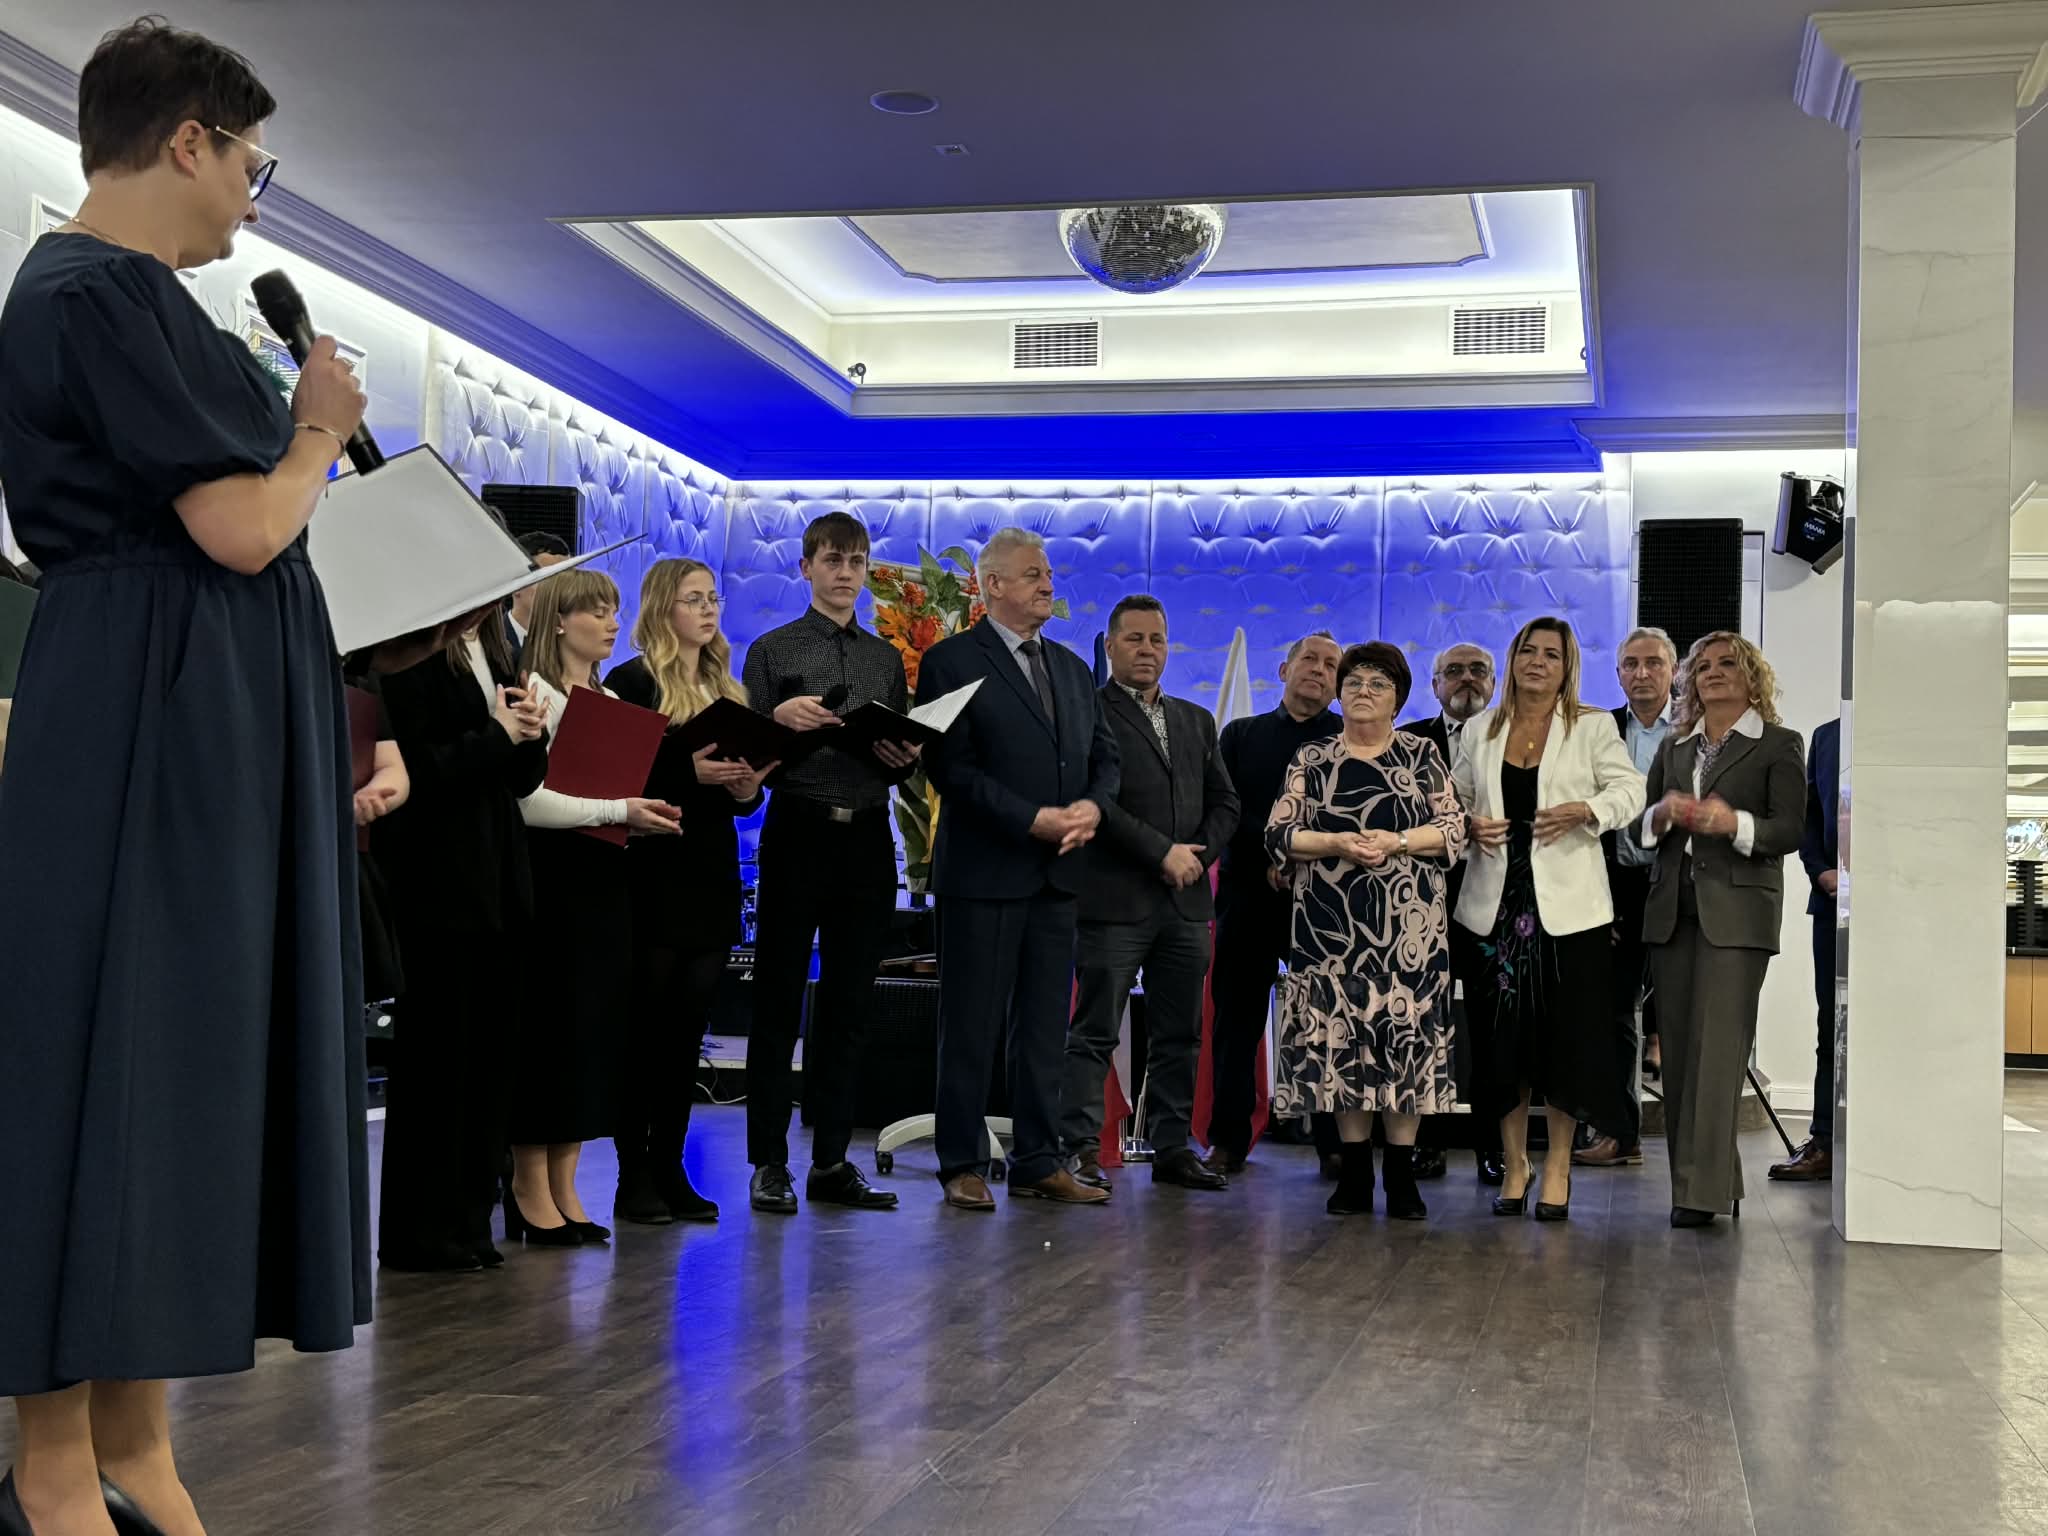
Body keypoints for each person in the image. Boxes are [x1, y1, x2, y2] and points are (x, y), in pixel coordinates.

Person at [0, 20, 373, 1534]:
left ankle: (133, 1441)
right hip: (149, 703)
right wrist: (317, 435)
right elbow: (241, 527)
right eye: (251, 165)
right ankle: (49, 1461)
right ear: (188, 141)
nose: (248, 199)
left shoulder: (125, 297)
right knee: (101, 1059)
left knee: (168, 1068)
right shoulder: (96, 292)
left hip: (193, 701)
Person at [916, 526, 1120, 1210]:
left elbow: (1105, 757)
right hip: (984, 874)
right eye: (1033, 574)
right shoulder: (950, 661)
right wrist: (1031, 819)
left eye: (1049, 574)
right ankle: (962, 1163)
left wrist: (1092, 808)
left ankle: (1039, 1160)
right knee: (970, 1027)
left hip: (1057, 878)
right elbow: (951, 768)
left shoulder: (1072, 667)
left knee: (1043, 1031)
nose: (1047, 584)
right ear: (992, 585)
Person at [741, 512, 917, 1215]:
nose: (846, 573)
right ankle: (768, 1162)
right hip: (798, 828)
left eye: (857, 561)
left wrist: (905, 755)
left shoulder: (884, 660)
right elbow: (747, 755)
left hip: (868, 836)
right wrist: (778, 722)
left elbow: (898, 761)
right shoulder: (771, 650)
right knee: (778, 999)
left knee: (849, 1005)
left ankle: (832, 1162)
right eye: (833, 560)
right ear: (807, 567)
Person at [505, 572, 680, 1248]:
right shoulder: (534, 691)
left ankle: (566, 1181)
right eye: (596, 612)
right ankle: (528, 1183)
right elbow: (528, 800)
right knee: (548, 1029)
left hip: (605, 875)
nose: (612, 624)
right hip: (554, 876)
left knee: (590, 1031)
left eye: (614, 611)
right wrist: (618, 809)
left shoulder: (608, 699)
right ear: (557, 621)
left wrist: (638, 817)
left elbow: (608, 795)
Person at [376, 607, 550, 1273]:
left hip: (500, 879)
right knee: (438, 1062)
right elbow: (418, 773)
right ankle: (421, 1230)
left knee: (491, 1060)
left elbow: (522, 779)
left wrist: (528, 733)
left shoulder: (499, 650)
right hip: (438, 881)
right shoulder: (410, 653)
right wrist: (497, 735)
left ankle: (471, 1222)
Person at [1453, 616, 1644, 1223]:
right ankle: (1516, 1164)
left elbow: (1631, 791)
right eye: (1528, 651)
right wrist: (1464, 824)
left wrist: (1587, 809)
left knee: (1566, 1044)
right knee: (1501, 1045)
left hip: (1570, 913)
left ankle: (1558, 1165)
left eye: (1551, 655)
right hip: (1494, 910)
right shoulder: (1480, 728)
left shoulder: (1592, 725)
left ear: (1567, 667)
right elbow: (1452, 801)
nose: (1537, 662)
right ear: (1512, 660)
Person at [1269, 643, 1467, 1219]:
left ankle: (1401, 1174)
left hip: (1409, 934)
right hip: (1329, 934)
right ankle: (1354, 1171)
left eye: (1378, 684)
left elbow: (1453, 828)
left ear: (1398, 699)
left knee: (1404, 1048)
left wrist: (1397, 841)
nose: (1363, 691)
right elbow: (1280, 833)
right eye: (1354, 682)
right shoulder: (1313, 757)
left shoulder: (1421, 753)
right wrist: (1334, 842)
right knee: (1342, 1048)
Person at [607, 559, 773, 1225]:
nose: (707, 610)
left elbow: (741, 797)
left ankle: (672, 1167)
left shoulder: (722, 685)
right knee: (644, 1032)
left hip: (709, 870)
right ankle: (633, 1175)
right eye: (692, 599)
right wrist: (687, 770)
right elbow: (617, 780)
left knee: (686, 1036)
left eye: (712, 599)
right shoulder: (632, 682)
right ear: (661, 608)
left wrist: (746, 788)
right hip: (652, 872)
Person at [1058, 595, 1240, 1194]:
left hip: (1185, 904)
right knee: (1095, 1032)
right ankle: (1080, 1148)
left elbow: (1226, 802)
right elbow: (1095, 802)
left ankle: (1171, 1147)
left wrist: (1195, 859)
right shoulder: (1086, 712)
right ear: (1110, 645)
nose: (1146, 650)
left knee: (1180, 1035)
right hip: (1114, 900)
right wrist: (1161, 852)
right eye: (1134, 639)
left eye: (1156, 639)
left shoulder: (1196, 720)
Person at [1642, 633, 1805, 1226]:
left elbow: (1789, 830)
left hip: (1738, 915)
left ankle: (1700, 1194)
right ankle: (1709, 1181)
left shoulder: (1779, 744)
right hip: (1673, 912)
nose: (1712, 672)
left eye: (1727, 663)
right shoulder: (1676, 745)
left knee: (1718, 1054)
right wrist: (1661, 816)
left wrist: (1731, 823)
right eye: (1702, 666)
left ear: (1752, 674)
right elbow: (1643, 828)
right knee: (1681, 1057)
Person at [1208, 630, 1346, 1177]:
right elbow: (1223, 808)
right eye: (1309, 659)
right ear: (1284, 670)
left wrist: (1303, 859)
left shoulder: (1350, 741)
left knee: (1329, 1024)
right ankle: (1228, 1140)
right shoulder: (1240, 734)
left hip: (1325, 902)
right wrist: (1274, 852)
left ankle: (1336, 1145)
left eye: (1331, 665)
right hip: (1249, 893)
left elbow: (1351, 818)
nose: (1318, 669)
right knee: (1236, 1023)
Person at [1577, 626, 1678, 1169]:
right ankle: (1620, 1133)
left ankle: (1693, 1145)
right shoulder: (1598, 731)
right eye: (1631, 664)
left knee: (1682, 1014)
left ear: (1673, 670)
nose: (1642, 673)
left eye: (1653, 663)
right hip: (1615, 887)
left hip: (1678, 886)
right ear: (1617, 674)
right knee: (1614, 1012)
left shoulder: (1695, 729)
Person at [1399, 641, 1498, 1183]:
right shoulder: (1408, 743)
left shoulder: (1513, 737)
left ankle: (1492, 1147)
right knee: (1425, 1028)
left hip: (1492, 906)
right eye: (1453, 671)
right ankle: (1427, 1143)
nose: (1466, 679)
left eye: (1478, 671)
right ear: (1435, 685)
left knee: (1490, 1031)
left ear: (1494, 683)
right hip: (1419, 907)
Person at [1772, 716, 1840, 1182]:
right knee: (1830, 1025)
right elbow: (1809, 817)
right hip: (1834, 905)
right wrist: (1820, 871)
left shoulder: (1907, 727)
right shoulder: (1827, 736)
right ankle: (1826, 1139)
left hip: (1900, 908)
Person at [507, 531, 569, 652]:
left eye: (567, 580)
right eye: (549, 578)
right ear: (516, 584)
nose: (561, 589)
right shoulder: (487, 644)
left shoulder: (575, 645)